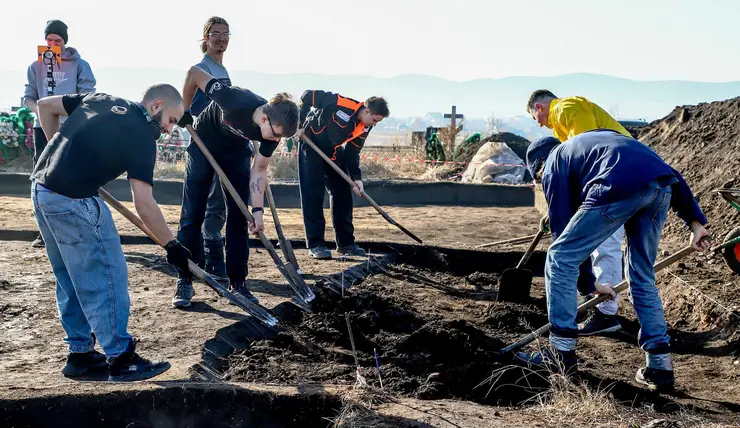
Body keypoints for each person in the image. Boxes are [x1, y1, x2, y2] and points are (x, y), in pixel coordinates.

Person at [519, 129, 711, 392]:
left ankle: (560, 353)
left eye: (540, 180)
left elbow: (564, 235)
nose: (543, 183)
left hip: (615, 186)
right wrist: (695, 222)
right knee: (641, 275)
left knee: (559, 257)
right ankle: (659, 367)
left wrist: (587, 284)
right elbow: (670, 173)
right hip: (661, 189)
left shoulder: (553, 163)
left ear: (539, 168)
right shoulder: (596, 142)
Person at [31, 84, 192, 382]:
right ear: (157, 105)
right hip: (73, 202)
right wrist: (172, 245)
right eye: (171, 120)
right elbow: (144, 203)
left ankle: (80, 356)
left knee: (70, 277)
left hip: (42, 191)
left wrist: (58, 147)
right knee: (106, 275)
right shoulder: (143, 136)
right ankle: (121, 358)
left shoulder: (101, 99)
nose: (170, 130)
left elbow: (44, 106)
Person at [172, 66, 299, 308]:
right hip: (204, 144)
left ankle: (238, 282)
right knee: (193, 213)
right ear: (264, 119)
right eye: (275, 135)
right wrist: (184, 110)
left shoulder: (271, 133)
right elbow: (195, 74)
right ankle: (185, 278)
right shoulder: (233, 98)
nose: (275, 141)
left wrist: (258, 212)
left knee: (241, 216)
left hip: (236, 153)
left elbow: (259, 170)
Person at [527, 89, 631, 336]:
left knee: (604, 244)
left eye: (535, 118)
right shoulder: (561, 128)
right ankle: (608, 305)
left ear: (539, 107)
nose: (540, 125)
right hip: (621, 174)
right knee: (611, 247)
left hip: (616, 174)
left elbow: (589, 152)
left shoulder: (566, 108)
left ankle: (606, 314)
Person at [23, 19, 96, 248]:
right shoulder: (36, 67)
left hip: (71, 127)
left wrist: (67, 115)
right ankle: (43, 231)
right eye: (49, 40)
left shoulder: (80, 64)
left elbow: (88, 95)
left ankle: (78, 224)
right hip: (41, 128)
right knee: (41, 175)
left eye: (58, 40)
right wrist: (42, 112)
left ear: (65, 41)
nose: (53, 44)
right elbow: (28, 97)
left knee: (71, 172)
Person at [297, 90, 389, 260]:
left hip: (332, 151)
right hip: (310, 146)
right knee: (313, 194)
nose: (374, 124)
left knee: (343, 192)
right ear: (367, 110)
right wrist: (300, 124)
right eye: (375, 120)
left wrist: (356, 179)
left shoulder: (364, 127)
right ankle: (316, 245)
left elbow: (352, 153)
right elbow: (307, 96)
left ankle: (346, 244)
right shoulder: (341, 102)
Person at [186, 16, 233, 280]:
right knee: (201, 204)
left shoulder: (222, 71)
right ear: (206, 38)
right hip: (204, 144)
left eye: (226, 33)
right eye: (216, 33)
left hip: (222, 144)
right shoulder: (201, 69)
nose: (221, 38)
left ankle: (214, 259)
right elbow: (191, 107)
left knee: (218, 202)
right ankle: (201, 262)